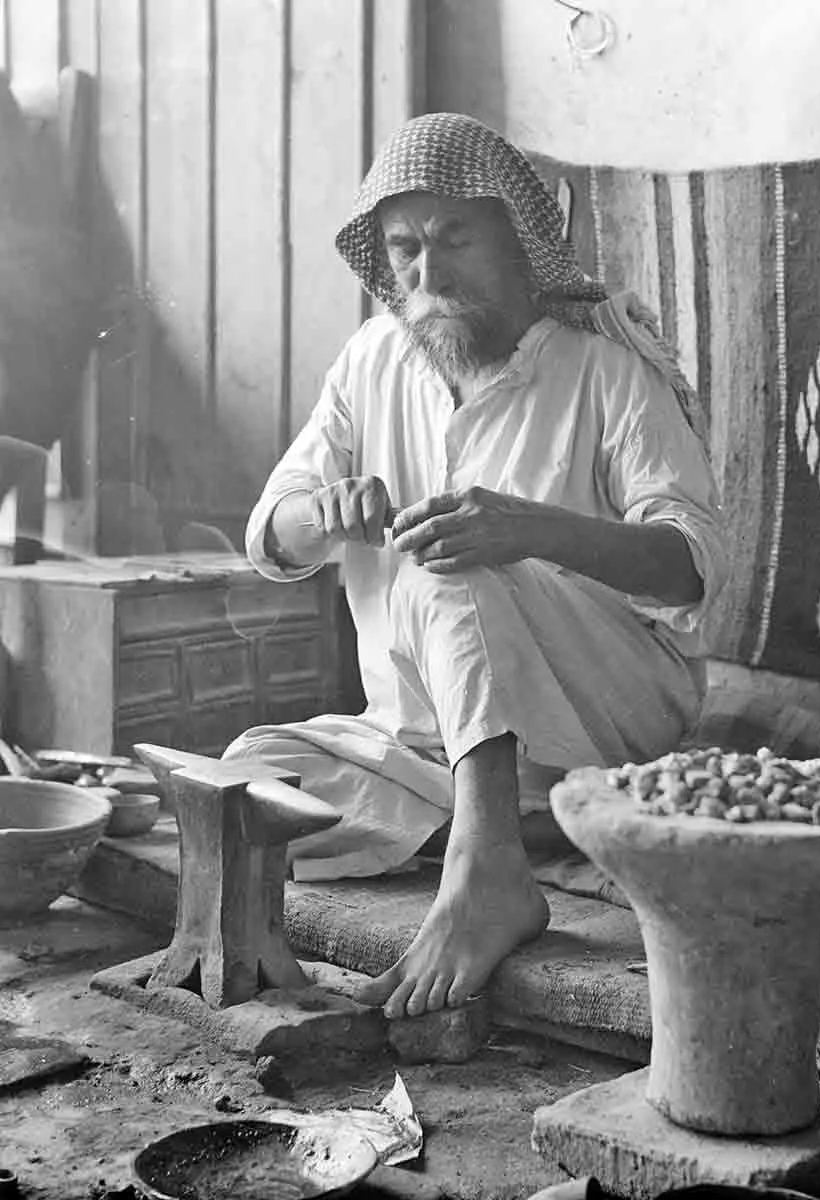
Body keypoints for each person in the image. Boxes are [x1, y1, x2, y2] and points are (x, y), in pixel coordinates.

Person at [224, 112, 729, 1020]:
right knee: (252, 780)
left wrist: (532, 530)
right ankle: (524, 823)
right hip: (422, 737)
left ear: (520, 245)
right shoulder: (372, 359)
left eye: (456, 239)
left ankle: (487, 867)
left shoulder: (605, 372)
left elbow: (688, 570)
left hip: (606, 708)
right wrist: (322, 514)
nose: (429, 274)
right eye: (405, 248)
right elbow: (271, 533)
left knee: (439, 559)